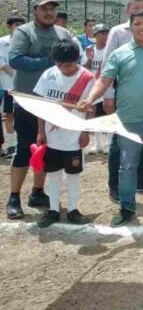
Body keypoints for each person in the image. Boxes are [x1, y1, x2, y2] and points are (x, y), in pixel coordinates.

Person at [78, 10, 143, 227]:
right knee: (127, 165)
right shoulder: (119, 53)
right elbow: (104, 81)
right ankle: (127, 208)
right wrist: (90, 99)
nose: (141, 27)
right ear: (131, 26)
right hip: (128, 120)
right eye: (137, 24)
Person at [6, 0, 75, 219]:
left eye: (52, 8)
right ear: (35, 10)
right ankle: (14, 197)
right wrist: (47, 62)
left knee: (48, 149)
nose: (49, 12)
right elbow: (15, 59)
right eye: (44, 8)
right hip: (28, 101)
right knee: (25, 149)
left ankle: (37, 192)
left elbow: (75, 58)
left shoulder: (63, 33)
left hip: (55, 103)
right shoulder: (24, 32)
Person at [102, 0, 143, 201]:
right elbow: (107, 67)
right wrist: (108, 96)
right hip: (124, 93)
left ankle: (139, 178)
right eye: (135, 8)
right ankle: (115, 185)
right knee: (119, 140)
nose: (140, 10)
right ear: (127, 11)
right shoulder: (117, 32)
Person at [34, 40, 95, 228]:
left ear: (77, 60)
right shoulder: (48, 74)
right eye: (59, 64)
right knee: (52, 173)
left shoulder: (87, 78)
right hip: (52, 137)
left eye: (68, 65)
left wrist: (85, 130)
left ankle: (73, 210)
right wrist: (40, 131)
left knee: (73, 173)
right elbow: (41, 106)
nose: (63, 68)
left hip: (74, 137)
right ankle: (53, 210)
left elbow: (91, 108)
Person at [0, 15, 25, 159]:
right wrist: (15, 76)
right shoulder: (1, 42)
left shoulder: (26, 41)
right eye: (16, 25)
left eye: (21, 25)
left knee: (24, 115)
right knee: (9, 115)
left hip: (25, 87)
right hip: (9, 86)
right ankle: (10, 145)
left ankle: (23, 143)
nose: (19, 28)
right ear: (9, 26)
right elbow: (2, 63)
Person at [87, 24, 110, 154]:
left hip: (107, 85)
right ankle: (98, 143)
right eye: (102, 33)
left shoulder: (110, 49)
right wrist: (89, 60)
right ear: (95, 35)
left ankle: (108, 143)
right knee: (94, 114)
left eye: (106, 33)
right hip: (94, 86)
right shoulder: (90, 50)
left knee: (108, 112)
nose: (105, 36)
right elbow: (84, 68)